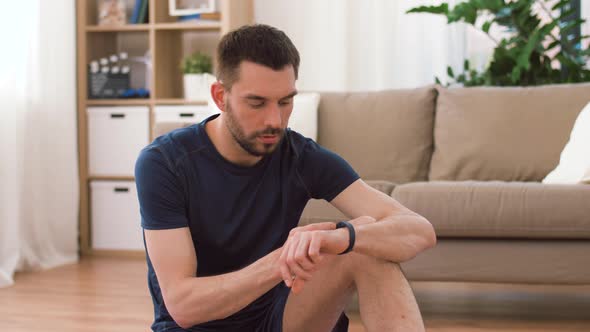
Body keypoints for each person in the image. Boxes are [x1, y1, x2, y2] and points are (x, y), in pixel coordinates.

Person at [135, 24, 436, 332]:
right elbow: (183, 306)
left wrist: (341, 237)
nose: (274, 121)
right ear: (220, 95)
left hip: (279, 320)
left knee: (364, 245)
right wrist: (288, 257)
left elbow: (420, 231)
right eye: (257, 103)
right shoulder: (165, 163)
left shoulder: (300, 156)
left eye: (285, 101)